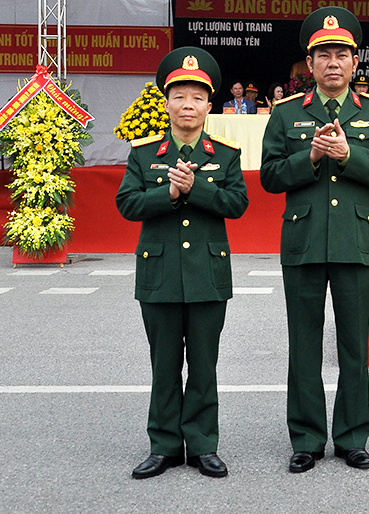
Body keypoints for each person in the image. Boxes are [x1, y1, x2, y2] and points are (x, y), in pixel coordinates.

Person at [260, 6, 369, 473]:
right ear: (310, 63)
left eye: (342, 53)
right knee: (302, 344)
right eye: (324, 55)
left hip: (354, 242)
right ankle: (305, 437)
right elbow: (270, 177)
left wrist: (348, 154)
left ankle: (352, 437)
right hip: (302, 243)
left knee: (353, 347)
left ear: (355, 61)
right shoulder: (286, 114)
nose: (333, 62)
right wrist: (312, 157)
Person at [117, 46, 249, 479]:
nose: (187, 105)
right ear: (167, 103)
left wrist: (197, 190)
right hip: (159, 276)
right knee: (164, 364)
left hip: (208, 275)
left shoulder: (225, 155)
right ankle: (165, 445)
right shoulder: (144, 154)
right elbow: (127, 204)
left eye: (196, 97)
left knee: (205, 365)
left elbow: (237, 203)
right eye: (179, 96)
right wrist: (169, 194)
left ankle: (204, 445)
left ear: (209, 105)